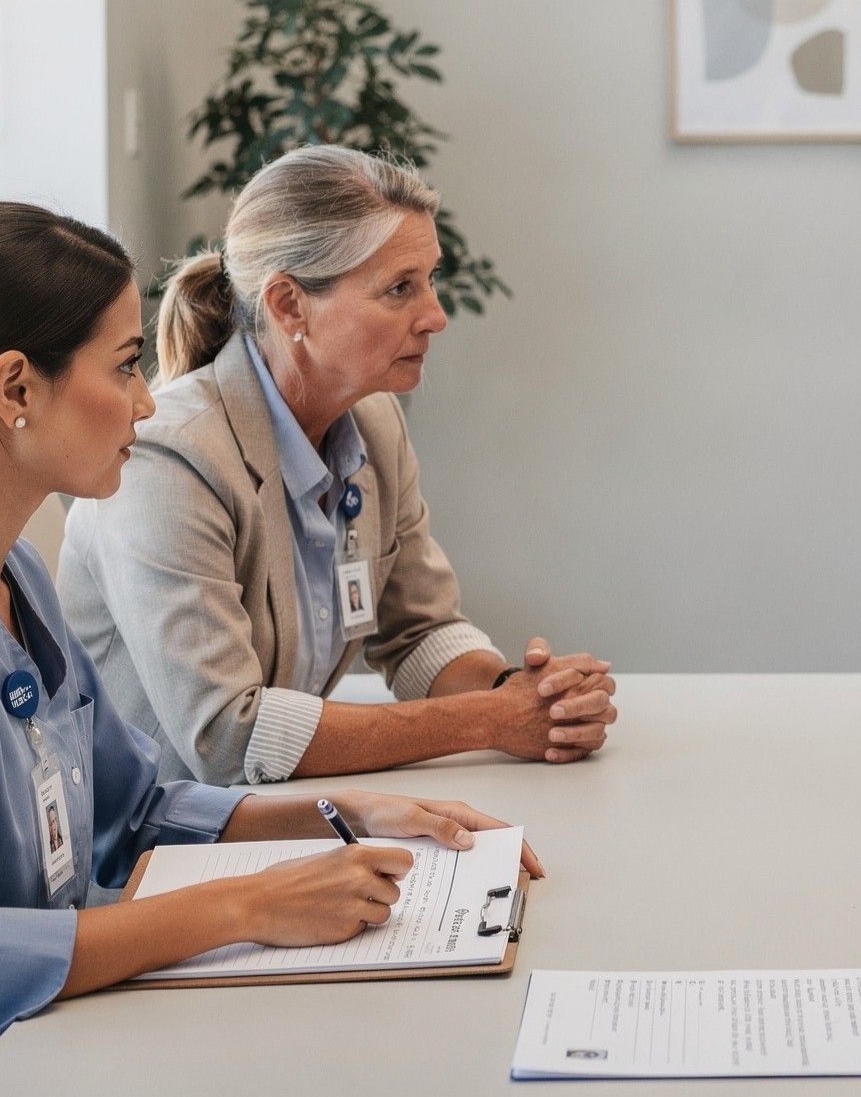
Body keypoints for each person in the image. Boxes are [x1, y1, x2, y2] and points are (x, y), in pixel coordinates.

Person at [0, 203, 541, 1097]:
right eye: (125, 366)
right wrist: (248, 907)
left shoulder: (12, 567)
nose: (147, 401)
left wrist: (345, 811)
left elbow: (133, 810)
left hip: (33, 1045)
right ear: (15, 389)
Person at [59, 146, 617, 785]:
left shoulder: (374, 424)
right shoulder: (168, 460)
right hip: (153, 841)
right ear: (290, 305)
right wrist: (491, 719)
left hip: (277, 812)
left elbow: (418, 632)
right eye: (400, 288)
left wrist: (529, 696)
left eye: (430, 281)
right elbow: (226, 736)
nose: (435, 316)